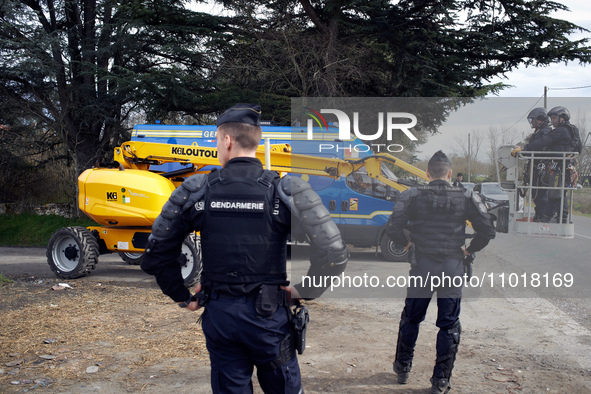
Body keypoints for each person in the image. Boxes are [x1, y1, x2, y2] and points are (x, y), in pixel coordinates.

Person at [141, 103, 348, 394]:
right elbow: (334, 252)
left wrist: (181, 296)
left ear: (227, 140)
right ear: (257, 141)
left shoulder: (196, 189)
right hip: (269, 319)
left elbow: (157, 252)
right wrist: (306, 290)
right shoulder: (286, 189)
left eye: (216, 141)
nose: (217, 147)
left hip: (220, 317)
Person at [386, 151, 496, 394]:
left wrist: (406, 245)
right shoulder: (467, 196)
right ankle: (440, 381)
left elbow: (393, 226)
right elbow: (487, 230)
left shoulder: (412, 195)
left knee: (411, 318)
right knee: (449, 325)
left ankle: (403, 369)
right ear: (449, 174)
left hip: (422, 265)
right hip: (452, 266)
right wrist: (469, 250)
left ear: (427, 174)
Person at [512, 106, 577, 222]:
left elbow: (544, 142)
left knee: (553, 193)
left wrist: (525, 149)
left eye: (554, 118)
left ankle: (553, 216)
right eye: (551, 118)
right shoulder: (565, 130)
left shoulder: (559, 131)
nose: (552, 121)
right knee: (554, 192)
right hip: (557, 166)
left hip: (555, 166)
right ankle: (547, 216)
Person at [519, 107, 551, 222]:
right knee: (536, 193)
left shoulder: (545, 132)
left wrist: (525, 150)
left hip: (541, 167)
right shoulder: (539, 131)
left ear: (540, 119)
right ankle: (539, 214)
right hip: (536, 166)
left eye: (532, 120)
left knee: (540, 193)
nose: (531, 123)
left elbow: (539, 147)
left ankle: (542, 216)